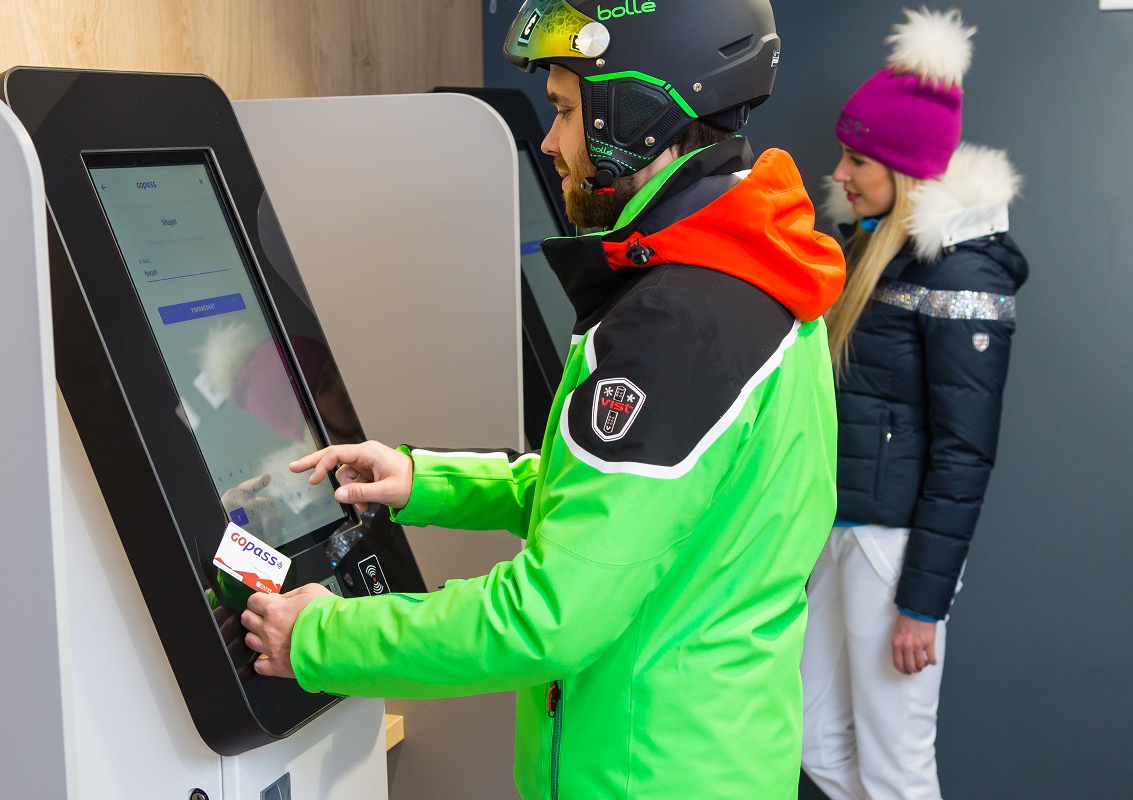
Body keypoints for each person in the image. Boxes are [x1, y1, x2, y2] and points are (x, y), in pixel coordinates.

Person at [240, 1, 847, 797]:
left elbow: (549, 615)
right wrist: (424, 481)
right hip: (716, 757)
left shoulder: (675, 324)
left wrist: (323, 636)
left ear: (637, 111)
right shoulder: (758, 271)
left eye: (565, 111)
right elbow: (632, 515)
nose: (553, 143)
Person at [798, 9, 1029, 800]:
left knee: (896, 769)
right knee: (814, 740)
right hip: (840, 533)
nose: (841, 172)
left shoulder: (965, 277)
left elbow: (965, 454)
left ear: (905, 171)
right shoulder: (877, 252)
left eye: (858, 158)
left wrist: (921, 605)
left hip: (892, 555)